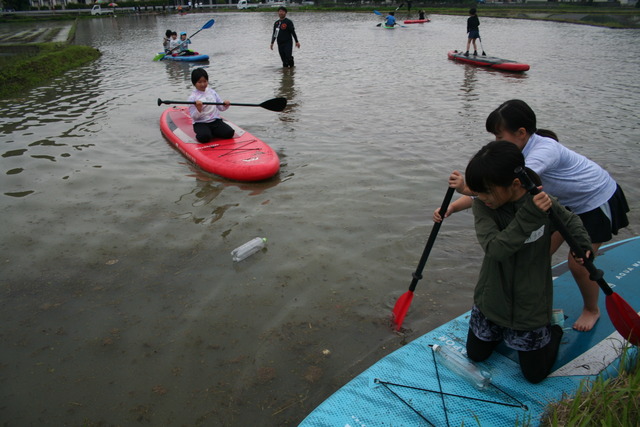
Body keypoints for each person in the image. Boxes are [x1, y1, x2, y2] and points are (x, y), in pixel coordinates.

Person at [434, 99, 630, 332]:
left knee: (578, 263)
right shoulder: (517, 152)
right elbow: (494, 192)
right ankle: (534, 302)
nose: (495, 142)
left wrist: (466, 188)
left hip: (596, 200)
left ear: (521, 133)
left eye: (499, 136)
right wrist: (454, 208)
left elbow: (500, 191)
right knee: (538, 251)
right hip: (560, 202)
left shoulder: (541, 154)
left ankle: (592, 309)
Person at [464, 141, 592, 384]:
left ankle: (552, 328)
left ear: (514, 184)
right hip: (492, 299)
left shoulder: (543, 202)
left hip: (530, 304)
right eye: (478, 191)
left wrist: (582, 247)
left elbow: (571, 221)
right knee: (476, 355)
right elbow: (496, 249)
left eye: (487, 191)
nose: (481, 197)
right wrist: (529, 216)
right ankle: (502, 331)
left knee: (534, 375)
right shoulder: (484, 207)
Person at [188, 68, 235, 143]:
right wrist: (198, 108)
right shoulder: (192, 97)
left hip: (215, 121)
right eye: (199, 82)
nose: (203, 84)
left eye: (205, 81)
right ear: (194, 83)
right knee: (204, 138)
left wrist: (226, 104)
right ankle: (207, 133)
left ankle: (212, 132)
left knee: (229, 133)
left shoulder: (212, 92)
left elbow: (221, 108)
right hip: (200, 123)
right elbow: (194, 117)